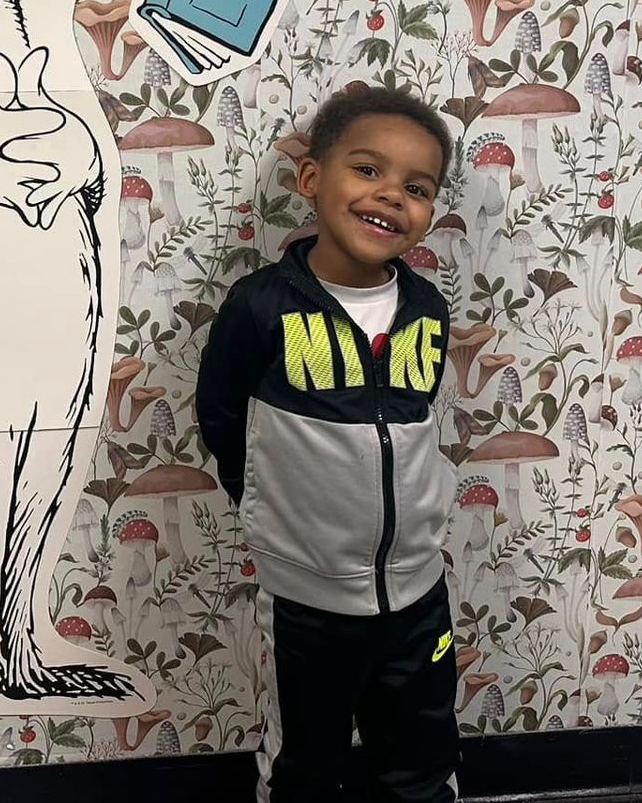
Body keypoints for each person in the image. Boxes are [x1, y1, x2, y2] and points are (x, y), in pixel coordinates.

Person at [196, 83, 459, 802]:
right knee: (303, 767)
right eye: (368, 170)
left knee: (422, 759)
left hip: (418, 596)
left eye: (417, 186)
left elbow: (415, 429)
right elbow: (222, 419)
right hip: (306, 604)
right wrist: (267, 511)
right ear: (312, 178)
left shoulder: (426, 309)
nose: (390, 196)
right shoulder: (260, 306)